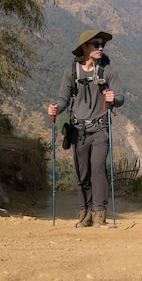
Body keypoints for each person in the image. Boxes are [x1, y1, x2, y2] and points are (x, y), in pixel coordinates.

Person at [48, 30, 124, 228]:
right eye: (96, 44)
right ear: (85, 47)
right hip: (78, 130)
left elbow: (121, 98)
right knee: (83, 173)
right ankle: (85, 211)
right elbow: (63, 97)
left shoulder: (109, 71)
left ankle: (99, 211)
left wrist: (113, 99)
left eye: (102, 45)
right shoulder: (72, 72)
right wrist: (56, 107)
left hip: (100, 129)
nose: (101, 48)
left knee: (98, 167)